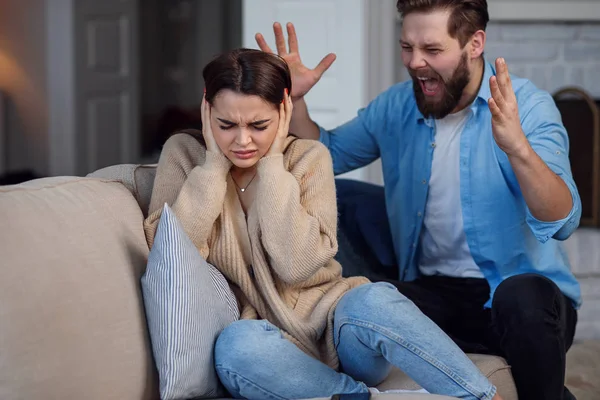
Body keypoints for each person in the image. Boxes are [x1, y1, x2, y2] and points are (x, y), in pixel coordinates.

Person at [254, 1, 581, 399]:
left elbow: (562, 219)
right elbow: (327, 154)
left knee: (522, 295)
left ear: (474, 43)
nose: (415, 62)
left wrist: (518, 149)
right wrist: (297, 101)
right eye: (406, 47)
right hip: (437, 295)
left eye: (432, 49)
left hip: (523, 302)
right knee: (370, 300)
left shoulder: (527, 107)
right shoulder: (397, 105)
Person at [143, 48, 503, 400]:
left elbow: (296, 266)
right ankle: (357, 397)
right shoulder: (186, 156)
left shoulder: (308, 158)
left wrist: (271, 166)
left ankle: (482, 396)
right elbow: (173, 252)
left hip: (336, 331)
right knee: (236, 347)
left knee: (373, 298)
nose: (242, 141)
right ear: (207, 109)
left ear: (283, 110)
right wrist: (212, 167)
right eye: (226, 125)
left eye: (259, 125)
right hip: (270, 350)